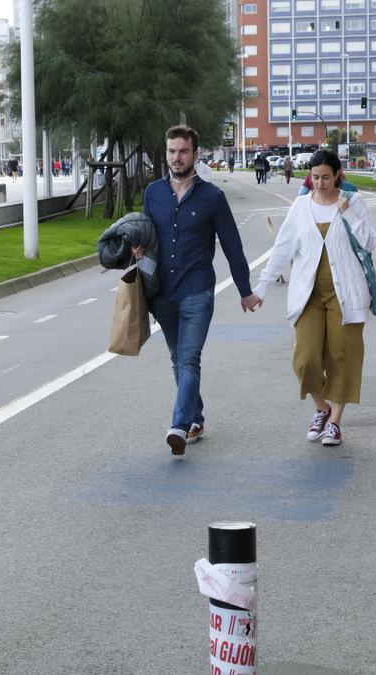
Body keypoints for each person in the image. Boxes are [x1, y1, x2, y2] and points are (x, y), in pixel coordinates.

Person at [134, 125, 261, 456]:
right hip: (162, 293)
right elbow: (146, 235)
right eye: (172, 151)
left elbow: (232, 246)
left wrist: (245, 290)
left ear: (195, 154)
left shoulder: (212, 198)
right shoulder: (153, 194)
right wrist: (135, 250)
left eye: (183, 151)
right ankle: (196, 417)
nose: (177, 157)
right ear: (166, 154)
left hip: (197, 291)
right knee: (178, 359)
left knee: (189, 357)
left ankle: (179, 425)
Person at [255, 150, 376, 446]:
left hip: (345, 294)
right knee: (305, 359)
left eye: (325, 177)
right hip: (307, 294)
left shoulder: (354, 202)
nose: (319, 183)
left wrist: (347, 212)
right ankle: (321, 408)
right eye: (315, 177)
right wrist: (261, 286)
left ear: (337, 175)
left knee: (341, 357)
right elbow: (282, 248)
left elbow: (370, 242)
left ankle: (334, 421)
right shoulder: (300, 207)